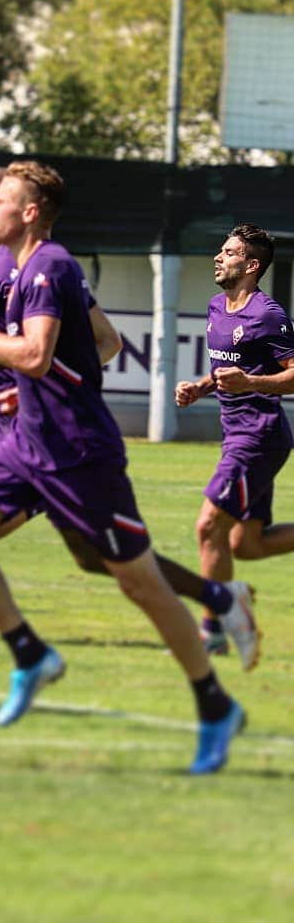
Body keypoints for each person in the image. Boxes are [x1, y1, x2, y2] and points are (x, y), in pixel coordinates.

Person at [0, 160, 246, 775]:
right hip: (21, 439)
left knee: (139, 583)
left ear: (28, 213)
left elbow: (34, 352)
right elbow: (53, 359)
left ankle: (215, 704)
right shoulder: (18, 267)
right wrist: (20, 388)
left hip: (77, 451)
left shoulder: (49, 265)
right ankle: (29, 653)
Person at [176, 223, 294, 657]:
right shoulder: (215, 306)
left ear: (251, 265)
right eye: (221, 251)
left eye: (228, 252)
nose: (218, 258)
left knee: (208, 527)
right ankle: (227, 613)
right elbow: (229, 371)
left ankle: (214, 631)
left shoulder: (268, 314)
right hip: (237, 435)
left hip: (259, 436)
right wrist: (202, 388)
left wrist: (251, 383)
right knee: (246, 545)